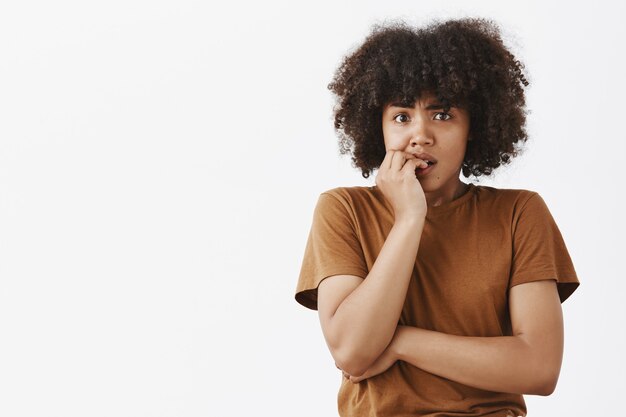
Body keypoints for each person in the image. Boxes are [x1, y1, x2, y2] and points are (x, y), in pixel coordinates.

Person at [294, 17, 580, 417]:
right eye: (401, 116)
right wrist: (410, 218)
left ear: (473, 127)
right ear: (377, 128)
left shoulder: (519, 213)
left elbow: (539, 368)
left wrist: (399, 342)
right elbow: (353, 352)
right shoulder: (343, 210)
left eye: (442, 115)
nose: (420, 135)